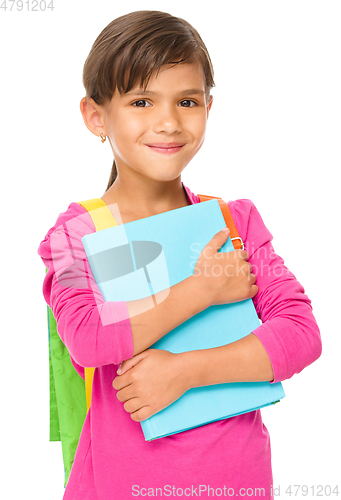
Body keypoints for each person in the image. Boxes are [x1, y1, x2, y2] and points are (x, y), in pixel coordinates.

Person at [37, 10, 322, 500]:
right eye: (141, 101)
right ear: (95, 116)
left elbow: (300, 333)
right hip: (119, 485)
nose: (168, 122)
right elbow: (87, 338)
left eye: (187, 101)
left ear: (208, 108)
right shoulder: (73, 235)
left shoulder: (235, 221)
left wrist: (185, 371)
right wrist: (200, 290)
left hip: (237, 482)